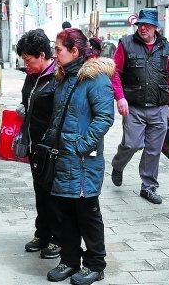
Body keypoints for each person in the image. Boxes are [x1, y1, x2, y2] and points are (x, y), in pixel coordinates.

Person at [44, 28, 115, 284]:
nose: (54, 55)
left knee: (87, 213)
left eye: (58, 50)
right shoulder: (64, 78)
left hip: (84, 160)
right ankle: (70, 260)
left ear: (74, 51)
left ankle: (95, 264)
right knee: (65, 212)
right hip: (64, 157)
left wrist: (81, 145)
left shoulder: (96, 79)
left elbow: (105, 117)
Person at [109, 8, 169, 205]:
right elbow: (114, 73)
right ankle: (118, 165)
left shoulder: (166, 48)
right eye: (140, 24)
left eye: (147, 24)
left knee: (153, 149)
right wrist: (120, 98)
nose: (143, 28)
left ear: (156, 27)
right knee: (132, 144)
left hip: (159, 107)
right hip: (134, 107)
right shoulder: (126, 44)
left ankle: (148, 187)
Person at [15, 29, 61, 259]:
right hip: (35, 147)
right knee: (40, 192)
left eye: (28, 59)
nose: (26, 64)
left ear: (42, 55)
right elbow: (28, 100)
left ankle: (57, 239)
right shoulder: (31, 76)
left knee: (54, 194)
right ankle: (42, 233)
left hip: (51, 148)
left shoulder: (58, 78)